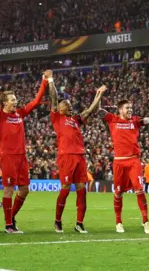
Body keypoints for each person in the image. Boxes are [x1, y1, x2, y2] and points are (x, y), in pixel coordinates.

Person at [0, 71, 50, 234]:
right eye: (12, 100)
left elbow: (37, 101)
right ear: (5, 103)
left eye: (15, 99)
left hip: (22, 157)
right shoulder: (0, 115)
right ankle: (9, 225)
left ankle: (10, 218)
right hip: (8, 156)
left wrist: (44, 81)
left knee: (24, 189)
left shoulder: (20, 114)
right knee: (9, 190)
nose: (15, 101)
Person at [48, 70, 106, 234]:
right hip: (66, 157)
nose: (70, 105)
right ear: (59, 109)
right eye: (66, 104)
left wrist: (99, 94)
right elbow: (53, 97)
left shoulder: (75, 120)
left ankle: (79, 223)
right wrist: (51, 80)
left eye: (70, 104)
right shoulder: (57, 118)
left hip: (80, 157)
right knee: (65, 189)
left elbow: (90, 110)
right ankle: (58, 221)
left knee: (82, 189)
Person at [99, 94, 149, 234]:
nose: (130, 110)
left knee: (140, 190)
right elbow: (98, 111)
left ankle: (145, 221)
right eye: (127, 108)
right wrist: (99, 94)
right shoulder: (112, 119)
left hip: (134, 161)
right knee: (118, 193)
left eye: (131, 108)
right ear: (120, 110)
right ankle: (118, 222)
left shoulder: (135, 121)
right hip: (119, 162)